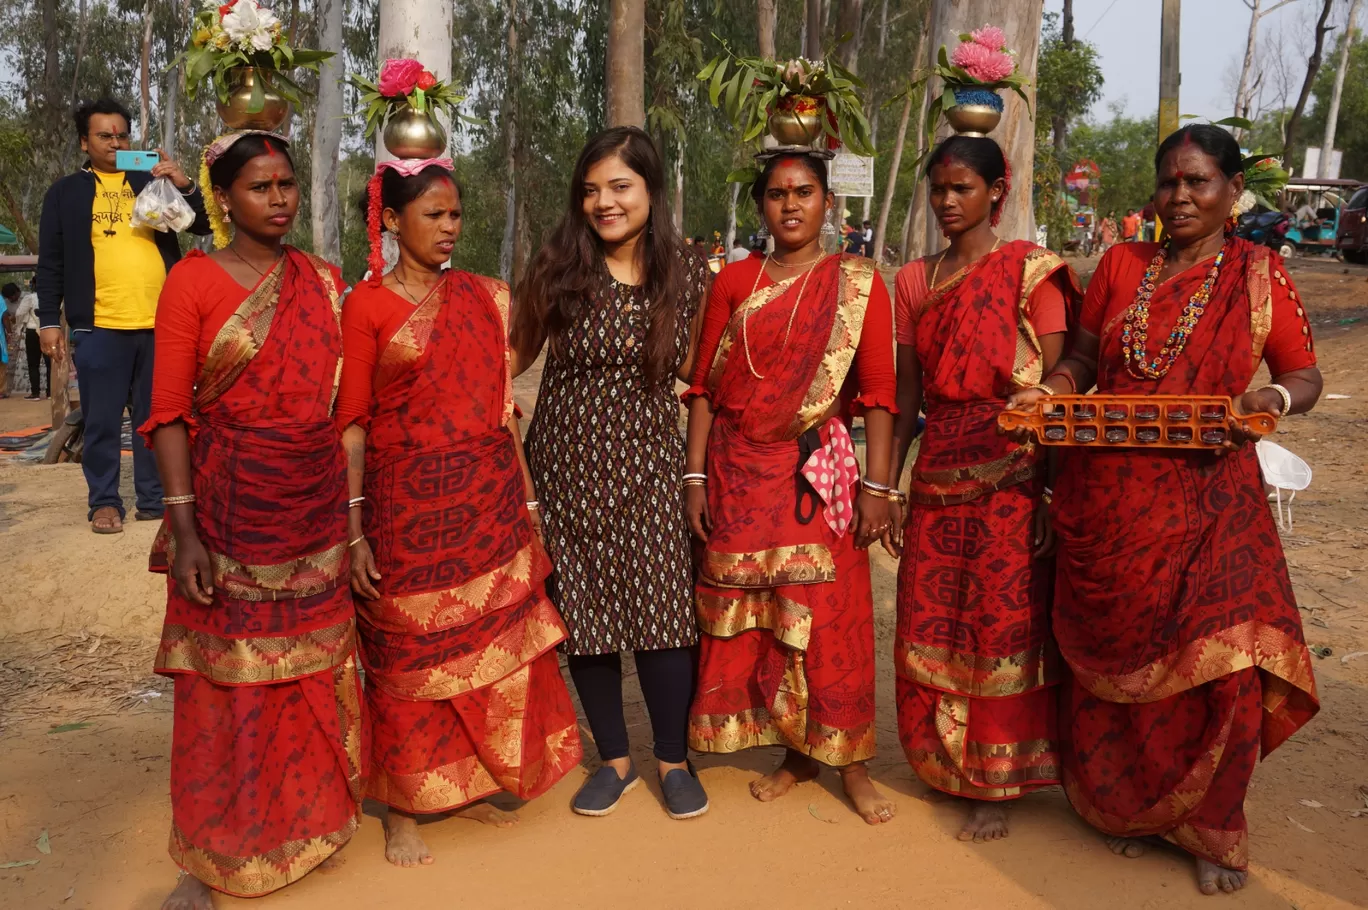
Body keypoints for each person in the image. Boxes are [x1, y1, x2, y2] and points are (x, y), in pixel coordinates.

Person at [1006, 124, 1321, 895]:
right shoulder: (1120, 264)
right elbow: (1083, 359)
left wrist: (1270, 397)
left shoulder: (1259, 273)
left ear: (1232, 192)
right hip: (1108, 505)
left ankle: (1212, 826)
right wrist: (1054, 391)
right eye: (1169, 182)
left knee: (1227, 664)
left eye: (1200, 182)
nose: (1180, 196)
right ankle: (1134, 811)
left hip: (1215, 502)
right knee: (1122, 666)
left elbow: (1304, 374)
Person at [337, 158, 582, 866]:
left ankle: (471, 780)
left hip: (487, 500)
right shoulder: (369, 305)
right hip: (403, 509)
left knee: (487, 647)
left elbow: (505, 411)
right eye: (434, 215)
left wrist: (530, 502)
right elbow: (353, 422)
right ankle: (404, 809)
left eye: (455, 215)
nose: (450, 229)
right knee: (408, 655)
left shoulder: (486, 297)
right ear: (390, 220)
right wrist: (354, 529)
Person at [141, 131, 360, 910]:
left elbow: (343, 405)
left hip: (314, 505)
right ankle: (212, 858)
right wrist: (186, 529)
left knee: (306, 670)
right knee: (225, 685)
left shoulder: (324, 280)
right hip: (231, 511)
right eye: (261, 186)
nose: (280, 198)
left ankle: (314, 822)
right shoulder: (193, 283)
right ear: (224, 197)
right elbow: (168, 414)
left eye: (288, 184)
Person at [682, 151, 898, 825]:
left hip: (817, 477)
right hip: (738, 471)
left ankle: (852, 762)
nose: (791, 205)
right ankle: (797, 753)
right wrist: (693, 476)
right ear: (761, 206)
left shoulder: (858, 283)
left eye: (804, 192)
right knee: (769, 621)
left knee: (830, 620)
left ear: (828, 202)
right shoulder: (735, 281)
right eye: (777, 194)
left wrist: (878, 488)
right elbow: (703, 388)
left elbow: (881, 394)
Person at [512, 126, 712, 819]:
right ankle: (617, 764)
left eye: (620, 186)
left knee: (664, 618)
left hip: (652, 469)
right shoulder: (556, 268)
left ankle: (673, 761)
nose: (604, 202)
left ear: (651, 191)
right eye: (591, 189)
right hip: (565, 472)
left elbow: (703, 372)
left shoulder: (687, 276)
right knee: (587, 622)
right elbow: (507, 359)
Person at [887, 135, 1081, 842]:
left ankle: (996, 778)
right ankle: (943, 763)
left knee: (1000, 624)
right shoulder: (913, 281)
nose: (946, 201)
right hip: (939, 470)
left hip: (1016, 473)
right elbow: (907, 400)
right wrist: (890, 485)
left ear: (997, 191)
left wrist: (1054, 496)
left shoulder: (1033, 272)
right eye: (938, 189)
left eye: (962, 188)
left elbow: (1059, 393)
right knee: (934, 619)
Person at [36, 97, 210, 534]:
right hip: (99, 327)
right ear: (84, 142)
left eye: (122, 135)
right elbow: (51, 263)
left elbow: (202, 225)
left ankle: (155, 500)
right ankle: (105, 502)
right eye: (104, 135)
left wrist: (182, 182)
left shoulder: (148, 179)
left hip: (162, 323)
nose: (115, 143)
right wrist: (49, 322)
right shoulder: (65, 193)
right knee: (101, 420)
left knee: (160, 418)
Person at [5, 283, 51, 400]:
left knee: (33, 364)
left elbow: (20, 313)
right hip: (48, 330)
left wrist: (20, 325)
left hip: (32, 331)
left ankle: (35, 393)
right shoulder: (51, 296)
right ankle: (50, 393)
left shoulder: (29, 298)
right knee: (49, 363)